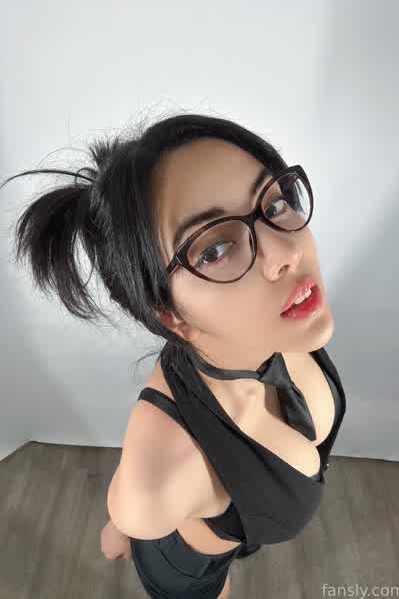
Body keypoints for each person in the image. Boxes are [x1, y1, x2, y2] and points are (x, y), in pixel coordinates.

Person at [1, 112, 345, 598]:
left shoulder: (286, 323)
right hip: (189, 569)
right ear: (172, 317)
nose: (286, 252)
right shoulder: (160, 480)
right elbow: (135, 499)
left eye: (273, 203)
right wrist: (123, 527)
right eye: (214, 250)